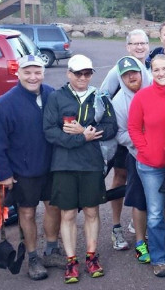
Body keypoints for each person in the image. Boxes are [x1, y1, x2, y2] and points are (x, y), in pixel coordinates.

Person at [0, 55, 66, 280]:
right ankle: (32, 257)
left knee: (54, 208)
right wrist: (4, 174)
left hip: (52, 166)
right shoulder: (5, 104)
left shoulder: (53, 94)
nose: (33, 77)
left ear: (43, 72)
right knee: (27, 212)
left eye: (37, 72)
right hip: (23, 171)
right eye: (27, 72)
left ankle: (51, 250)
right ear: (18, 73)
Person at [43, 54, 118, 284]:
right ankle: (71, 260)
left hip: (91, 164)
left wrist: (85, 131)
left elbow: (112, 126)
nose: (83, 77)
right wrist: (82, 139)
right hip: (64, 164)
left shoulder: (101, 96)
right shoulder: (56, 97)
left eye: (88, 73)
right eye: (78, 73)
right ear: (69, 74)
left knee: (92, 211)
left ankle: (92, 256)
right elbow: (49, 131)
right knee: (66, 214)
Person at [127, 54, 165, 277]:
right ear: (150, 72)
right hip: (150, 165)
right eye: (156, 70)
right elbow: (133, 127)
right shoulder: (142, 96)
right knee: (154, 213)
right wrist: (146, 150)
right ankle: (159, 258)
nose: (161, 73)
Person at [99, 29, 151, 253]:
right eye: (135, 43)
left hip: (148, 138)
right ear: (127, 46)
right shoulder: (117, 70)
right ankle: (116, 225)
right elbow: (102, 96)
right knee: (120, 177)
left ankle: (137, 220)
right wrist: (105, 124)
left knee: (143, 180)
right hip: (123, 136)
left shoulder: (149, 71)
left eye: (143, 43)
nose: (139, 47)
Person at [110, 56, 152, 264]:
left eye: (134, 72)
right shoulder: (118, 102)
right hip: (138, 155)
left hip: (163, 155)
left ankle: (159, 239)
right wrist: (144, 139)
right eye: (126, 75)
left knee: (164, 200)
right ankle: (140, 241)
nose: (131, 77)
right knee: (139, 200)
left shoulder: (155, 86)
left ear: (141, 71)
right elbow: (120, 134)